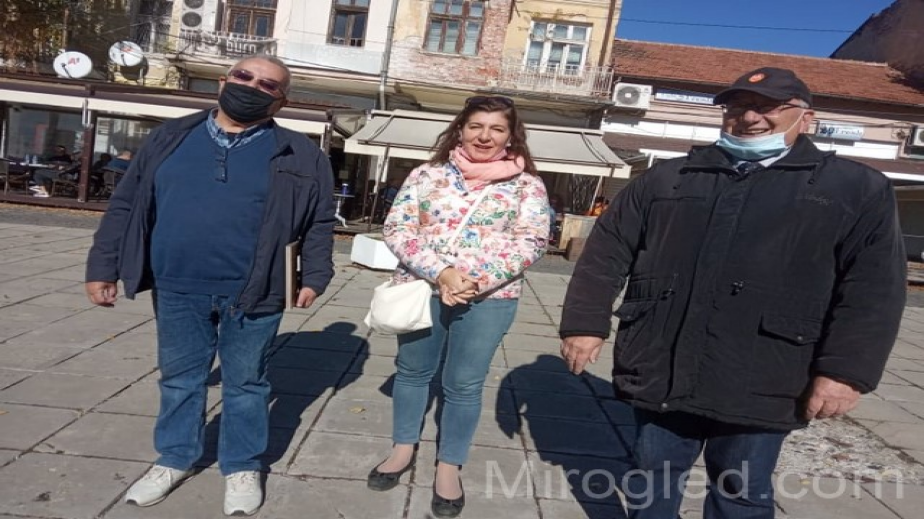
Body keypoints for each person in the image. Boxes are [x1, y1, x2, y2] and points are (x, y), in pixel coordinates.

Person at [559, 67, 906, 519]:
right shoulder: (672, 176)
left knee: (740, 491)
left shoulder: (854, 188)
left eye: (767, 107)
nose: (749, 117)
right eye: (738, 106)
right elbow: (606, 251)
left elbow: (874, 288)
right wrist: (585, 324)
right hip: (663, 359)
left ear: (807, 118)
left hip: (767, 370)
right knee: (651, 476)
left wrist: (845, 372)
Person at [85, 54, 336, 516]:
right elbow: (126, 203)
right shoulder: (170, 137)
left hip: (257, 288)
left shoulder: (301, 153)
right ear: (223, 81)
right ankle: (175, 458)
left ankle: (241, 465)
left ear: (281, 101)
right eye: (244, 76)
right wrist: (103, 266)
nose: (252, 87)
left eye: (268, 85)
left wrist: (315, 275)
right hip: (177, 283)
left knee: (247, 383)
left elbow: (320, 222)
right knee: (180, 379)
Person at [367, 95, 550, 517]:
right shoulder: (426, 175)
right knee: (412, 372)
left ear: (510, 136)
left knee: (464, 383)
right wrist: (442, 273)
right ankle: (402, 448)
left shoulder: (527, 185)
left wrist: (474, 281)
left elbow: (533, 240)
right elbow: (398, 228)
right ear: (460, 130)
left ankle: (449, 465)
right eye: (476, 126)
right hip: (422, 287)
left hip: (489, 297)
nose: (485, 136)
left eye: (497, 129)